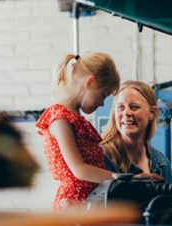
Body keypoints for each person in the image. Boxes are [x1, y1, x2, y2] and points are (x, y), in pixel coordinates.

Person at [36, 52, 120, 211]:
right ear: (90, 82)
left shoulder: (75, 119)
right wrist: (127, 180)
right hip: (74, 203)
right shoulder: (60, 119)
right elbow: (80, 170)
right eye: (103, 96)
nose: (102, 104)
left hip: (92, 199)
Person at [101, 80, 172, 182]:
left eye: (134, 107)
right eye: (121, 107)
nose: (126, 112)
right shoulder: (101, 156)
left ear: (152, 113)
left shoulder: (162, 163)